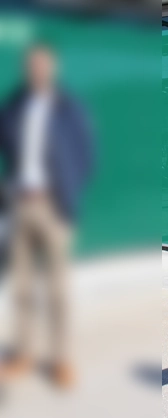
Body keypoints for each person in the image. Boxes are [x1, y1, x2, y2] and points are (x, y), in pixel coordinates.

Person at [0, 43, 94, 388]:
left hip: (55, 207)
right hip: (19, 204)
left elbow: (86, 155)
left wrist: (68, 193)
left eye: (44, 65)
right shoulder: (14, 106)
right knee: (22, 286)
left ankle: (60, 358)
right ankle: (23, 353)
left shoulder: (70, 109)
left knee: (57, 289)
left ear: (53, 69)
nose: (38, 71)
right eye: (33, 65)